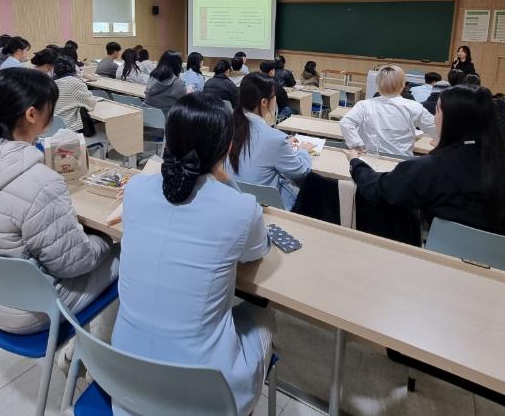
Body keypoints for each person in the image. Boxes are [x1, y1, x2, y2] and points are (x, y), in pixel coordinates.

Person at [111, 94, 272, 416]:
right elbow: (257, 251)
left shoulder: (136, 190)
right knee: (265, 316)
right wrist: (226, 180)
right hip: (204, 399)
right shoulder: (241, 209)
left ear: (168, 139)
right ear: (228, 148)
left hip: (125, 382)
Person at [0, 68, 119, 334]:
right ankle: (97, 349)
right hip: (36, 309)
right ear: (31, 114)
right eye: (50, 107)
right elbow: (75, 263)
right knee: (128, 251)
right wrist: (106, 238)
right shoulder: (39, 183)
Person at [346, 85, 505, 240]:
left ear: (450, 120)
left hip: (445, 258)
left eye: (437, 111)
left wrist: (356, 163)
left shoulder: (429, 168)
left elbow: (379, 189)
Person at [228, 73, 330, 211]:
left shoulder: (227, 125)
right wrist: (303, 151)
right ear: (264, 102)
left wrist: (283, 147)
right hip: (266, 206)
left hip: (234, 199)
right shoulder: (274, 138)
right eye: (274, 96)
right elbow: (301, 173)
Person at [340, 65, 437, 157]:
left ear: (378, 84)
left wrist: (357, 144)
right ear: (403, 84)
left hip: (369, 159)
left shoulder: (364, 105)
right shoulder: (414, 107)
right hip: (401, 162)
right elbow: (438, 129)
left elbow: (345, 123)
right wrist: (440, 141)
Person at [53, 55, 98, 132]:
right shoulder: (73, 82)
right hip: (70, 130)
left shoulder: (49, 83)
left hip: (51, 129)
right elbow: (91, 104)